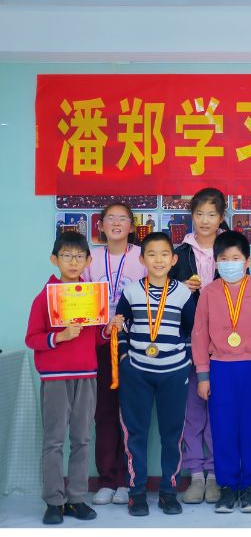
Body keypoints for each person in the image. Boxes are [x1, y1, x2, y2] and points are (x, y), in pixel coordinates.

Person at [25, 232, 122, 525]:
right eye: (66, 256)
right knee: (54, 441)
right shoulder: (44, 297)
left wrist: (108, 329)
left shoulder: (91, 296)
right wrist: (60, 336)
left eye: (79, 256)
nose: (73, 261)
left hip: (87, 375)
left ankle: (76, 498)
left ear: (88, 261)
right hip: (55, 378)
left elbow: (96, 339)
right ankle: (54, 501)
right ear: (54, 260)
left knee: (82, 439)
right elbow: (32, 338)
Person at [191, 231, 251, 513]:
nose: (230, 264)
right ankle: (227, 487)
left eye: (236, 258)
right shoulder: (209, 292)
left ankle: (250, 487)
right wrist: (203, 375)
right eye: (224, 259)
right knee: (223, 428)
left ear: (247, 261)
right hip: (220, 369)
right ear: (216, 263)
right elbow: (199, 335)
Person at [116, 232, 196, 516]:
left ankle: (168, 492)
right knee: (135, 434)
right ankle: (136, 492)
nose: (158, 260)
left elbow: (191, 329)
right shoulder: (131, 291)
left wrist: (185, 361)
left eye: (164, 254)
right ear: (142, 259)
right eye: (151, 254)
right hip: (137, 372)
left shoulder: (183, 293)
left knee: (171, 435)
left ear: (173, 260)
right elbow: (121, 324)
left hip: (173, 373)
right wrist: (124, 356)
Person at [82, 202, 146, 507]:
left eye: (123, 219)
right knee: (105, 413)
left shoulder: (142, 257)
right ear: (101, 225)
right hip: (100, 343)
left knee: (131, 415)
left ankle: (127, 480)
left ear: (132, 226)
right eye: (111, 218)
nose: (117, 223)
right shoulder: (91, 258)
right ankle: (107, 480)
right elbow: (79, 299)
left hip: (135, 344)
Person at [169, 187, 229, 505]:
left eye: (212, 214)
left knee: (218, 412)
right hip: (187, 342)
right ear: (191, 216)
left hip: (223, 346)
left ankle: (216, 474)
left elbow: (243, 294)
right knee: (192, 412)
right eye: (199, 214)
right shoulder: (180, 253)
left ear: (221, 217)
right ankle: (195, 475)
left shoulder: (230, 251)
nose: (205, 220)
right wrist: (181, 287)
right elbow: (163, 296)